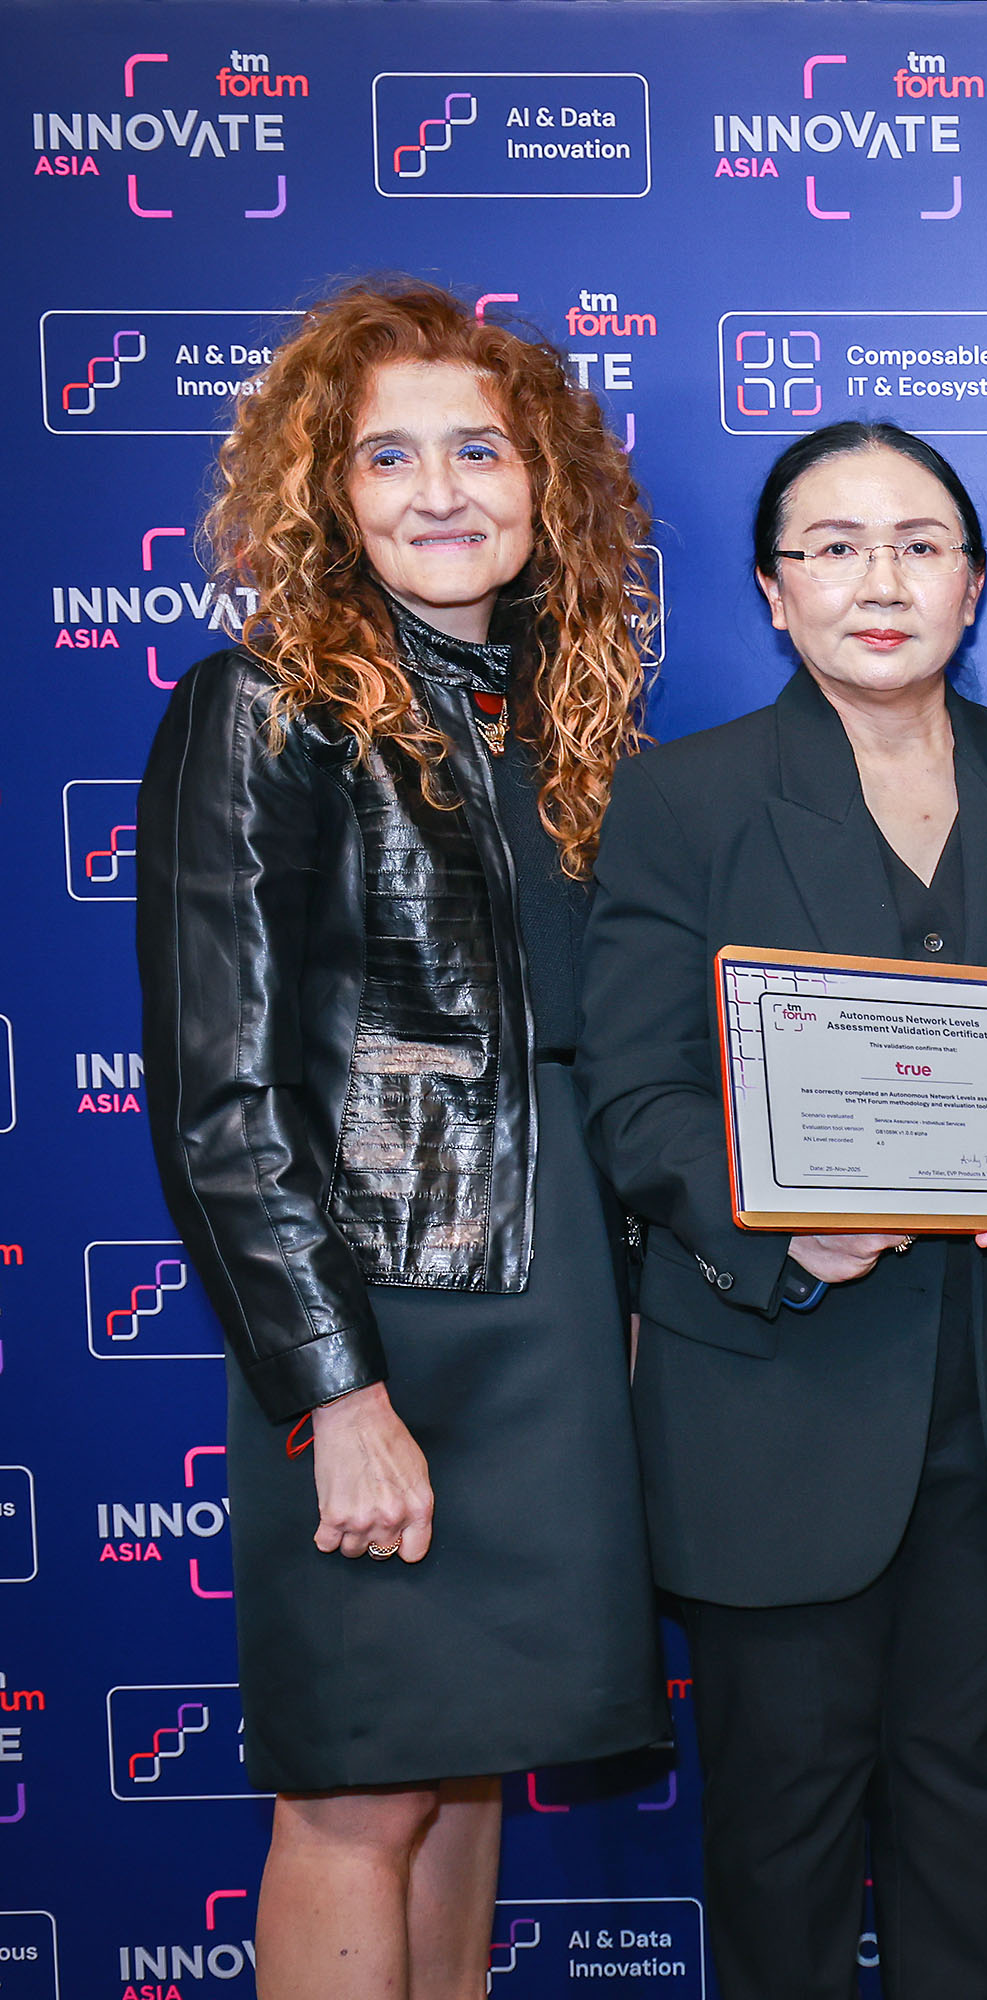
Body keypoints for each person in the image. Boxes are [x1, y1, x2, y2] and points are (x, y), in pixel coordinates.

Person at [136, 277, 666, 1996]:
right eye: (389, 456)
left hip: (554, 1326)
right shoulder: (263, 708)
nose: (442, 491)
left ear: (543, 481)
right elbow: (222, 1098)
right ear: (330, 494)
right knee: (359, 1789)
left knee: (469, 1767)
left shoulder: (562, 723)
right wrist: (337, 1395)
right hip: (383, 1323)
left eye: (480, 449)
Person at [580, 421, 987, 1999]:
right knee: (784, 1836)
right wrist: (773, 1222)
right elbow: (636, 1095)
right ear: (772, 590)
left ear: (974, 585)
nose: (879, 582)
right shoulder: (684, 801)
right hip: (778, 1403)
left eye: (919, 546)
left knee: (964, 1807)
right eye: (833, 548)